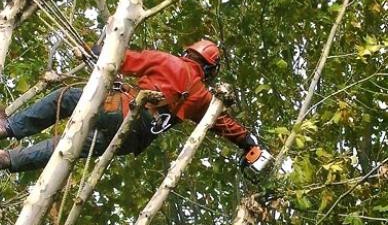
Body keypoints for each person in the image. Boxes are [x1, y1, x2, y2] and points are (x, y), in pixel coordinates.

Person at [0, 40, 270, 172]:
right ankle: (9, 160)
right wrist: (248, 142)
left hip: (123, 109)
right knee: (68, 146)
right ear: (209, 70)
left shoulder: (168, 61)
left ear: (188, 54)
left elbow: (123, 58)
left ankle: (8, 127)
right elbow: (224, 124)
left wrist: (95, 49)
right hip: (132, 139)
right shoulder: (203, 98)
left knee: (67, 97)